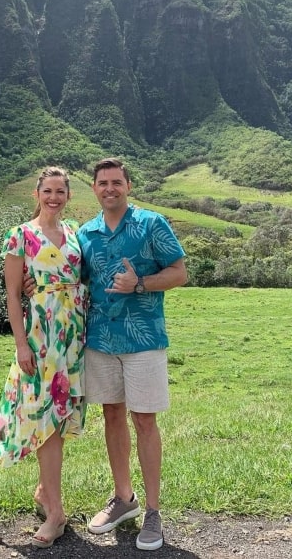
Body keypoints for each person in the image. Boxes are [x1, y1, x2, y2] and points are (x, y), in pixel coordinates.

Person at [76, 157, 187, 551]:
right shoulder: (85, 233)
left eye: (116, 182)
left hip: (143, 341)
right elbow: (74, 279)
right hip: (100, 340)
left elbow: (179, 271)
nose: (110, 188)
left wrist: (140, 283)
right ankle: (124, 499)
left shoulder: (151, 224)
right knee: (111, 414)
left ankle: (153, 511)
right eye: (103, 182)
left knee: (144, 420)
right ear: (94, 188)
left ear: (128, 185)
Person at [0, 166, 86, 549]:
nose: (54, 197)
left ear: (68, 196)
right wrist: (21, 344)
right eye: (48, 190)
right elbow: (13, 295)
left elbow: (82, 279)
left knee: (59, 419)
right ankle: (57, 513)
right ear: (36, 193)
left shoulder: (74, 232)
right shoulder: (20, 236)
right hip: (41, 338)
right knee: (44, 418)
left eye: (60, 191)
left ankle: (46, 492)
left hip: (74, 338)